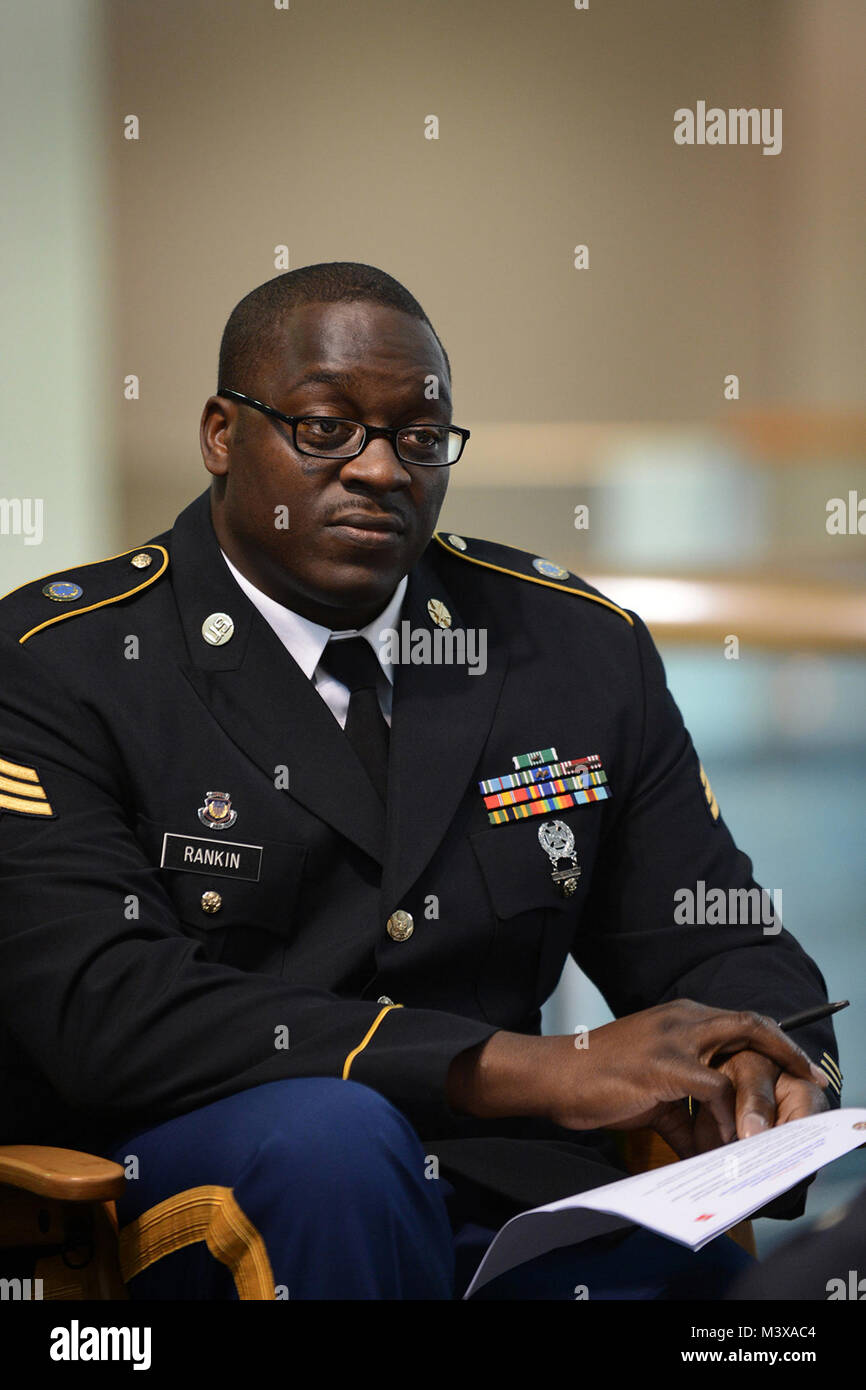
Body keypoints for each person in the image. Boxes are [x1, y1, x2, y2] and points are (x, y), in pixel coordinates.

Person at [0, 263, 842, 1300]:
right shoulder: (60, 661)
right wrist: (532, 1067)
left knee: (731, 1285)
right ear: (222, 433)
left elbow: (714, 934)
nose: (379, 469)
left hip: (515, 1187)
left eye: (417, 435)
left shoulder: (566, 647)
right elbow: (104, 1007)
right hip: (199, 1175)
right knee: (336, 1145)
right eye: (325, 428)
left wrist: (763, 1062)